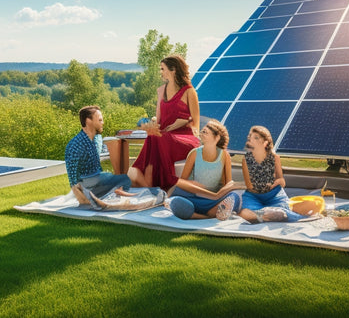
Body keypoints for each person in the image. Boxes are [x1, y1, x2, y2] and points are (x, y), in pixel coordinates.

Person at [128, 55, 201, 191]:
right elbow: (159, 122)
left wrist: (183, 122)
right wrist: (150, 127)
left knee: (161, 138)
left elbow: (196, 125)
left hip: (187, 137)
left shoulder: (189, 91)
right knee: (153, 136)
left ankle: (164, 183)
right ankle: (147, 182)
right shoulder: (161, 91)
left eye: (163, 69)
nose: (160, 72)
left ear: (173, 70)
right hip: (166, 135)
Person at [167, 120, 244, 220]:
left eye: (205, 132)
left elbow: (228, 183)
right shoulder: (194, 153)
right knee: (176, 200)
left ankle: (207, 212)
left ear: (217, 138)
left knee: (235, 196)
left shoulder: (225, 156)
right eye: (202, 131)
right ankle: (207, 215)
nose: (201, 133)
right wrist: (194, 185)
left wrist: (223, 192)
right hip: (195, 197)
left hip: (213, 201)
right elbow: (183, 182)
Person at [237, 126, 310, 223]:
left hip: (274, 195)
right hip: (253, 196)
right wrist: (264, 186)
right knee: (244, 213)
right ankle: (266, 215)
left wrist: (275, 183)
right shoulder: (246, 160)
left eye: (256, 138)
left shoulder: (275, 158)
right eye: (250, 137)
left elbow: (282, 182)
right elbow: (250, 186)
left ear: (265, 143)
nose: (251, 139)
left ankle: (270, 215)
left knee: (282, 211)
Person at [65, 105, 132, 204]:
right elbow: (72, 176)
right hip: (85, 182)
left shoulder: (97, 139)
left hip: (97, 177)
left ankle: (108, 197)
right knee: (123, 179)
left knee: (124, 180)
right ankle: (98, 198)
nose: (103, 123)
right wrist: (81, 198)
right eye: (100, 120)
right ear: (88, 121)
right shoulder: (75, 144)